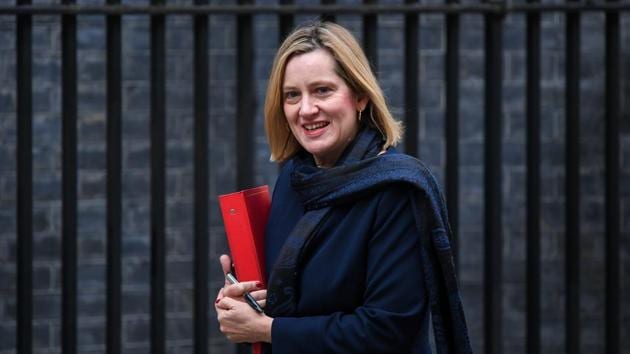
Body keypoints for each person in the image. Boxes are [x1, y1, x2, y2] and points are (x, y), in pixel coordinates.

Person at [215, 21, 473, 354]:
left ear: (360, 96)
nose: (306, 109)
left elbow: (387, 329)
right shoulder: (296, 178)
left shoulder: (395, 192)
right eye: (293, 95)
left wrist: (268, 329)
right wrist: (243, 299)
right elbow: (290, 302)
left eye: (322, 90)